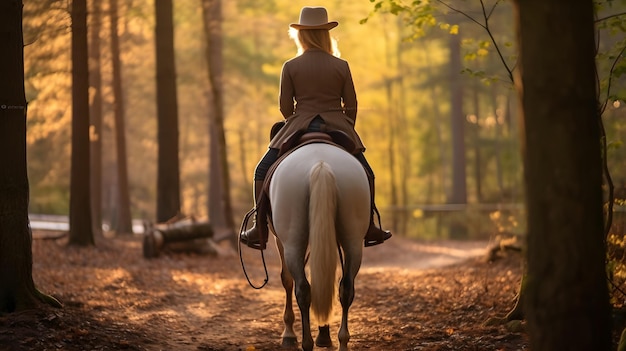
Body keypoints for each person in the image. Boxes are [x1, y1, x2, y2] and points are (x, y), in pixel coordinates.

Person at [240, 6, 392, 250]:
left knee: (261, 170)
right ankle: (371, 225)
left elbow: (284, 106)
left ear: (301, 35)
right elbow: (351, 104)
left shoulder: (290, 66)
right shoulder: (341, 65)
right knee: (367, 172)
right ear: (326, 34)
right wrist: (346, 126)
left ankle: (259, 227)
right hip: (338, 124)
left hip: (298, 124)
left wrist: (296, 119)